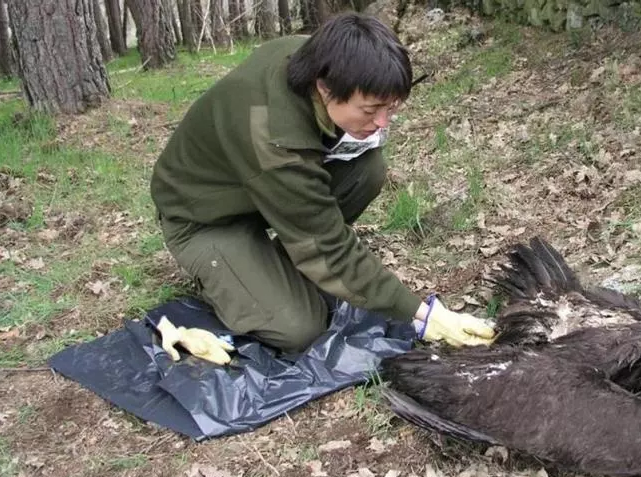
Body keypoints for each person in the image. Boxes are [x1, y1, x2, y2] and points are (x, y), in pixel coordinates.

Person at [150, 12, 495, 362]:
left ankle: (277, 264)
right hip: (204, 219)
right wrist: (423, 314)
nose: (381, 123)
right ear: (326, 88)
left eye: (390, 109)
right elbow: (329, 246)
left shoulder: (319, 57)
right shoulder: (274, 138)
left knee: (367, 169)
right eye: (370, 110)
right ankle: (231, 274)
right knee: (299, 328)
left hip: (256, 192)